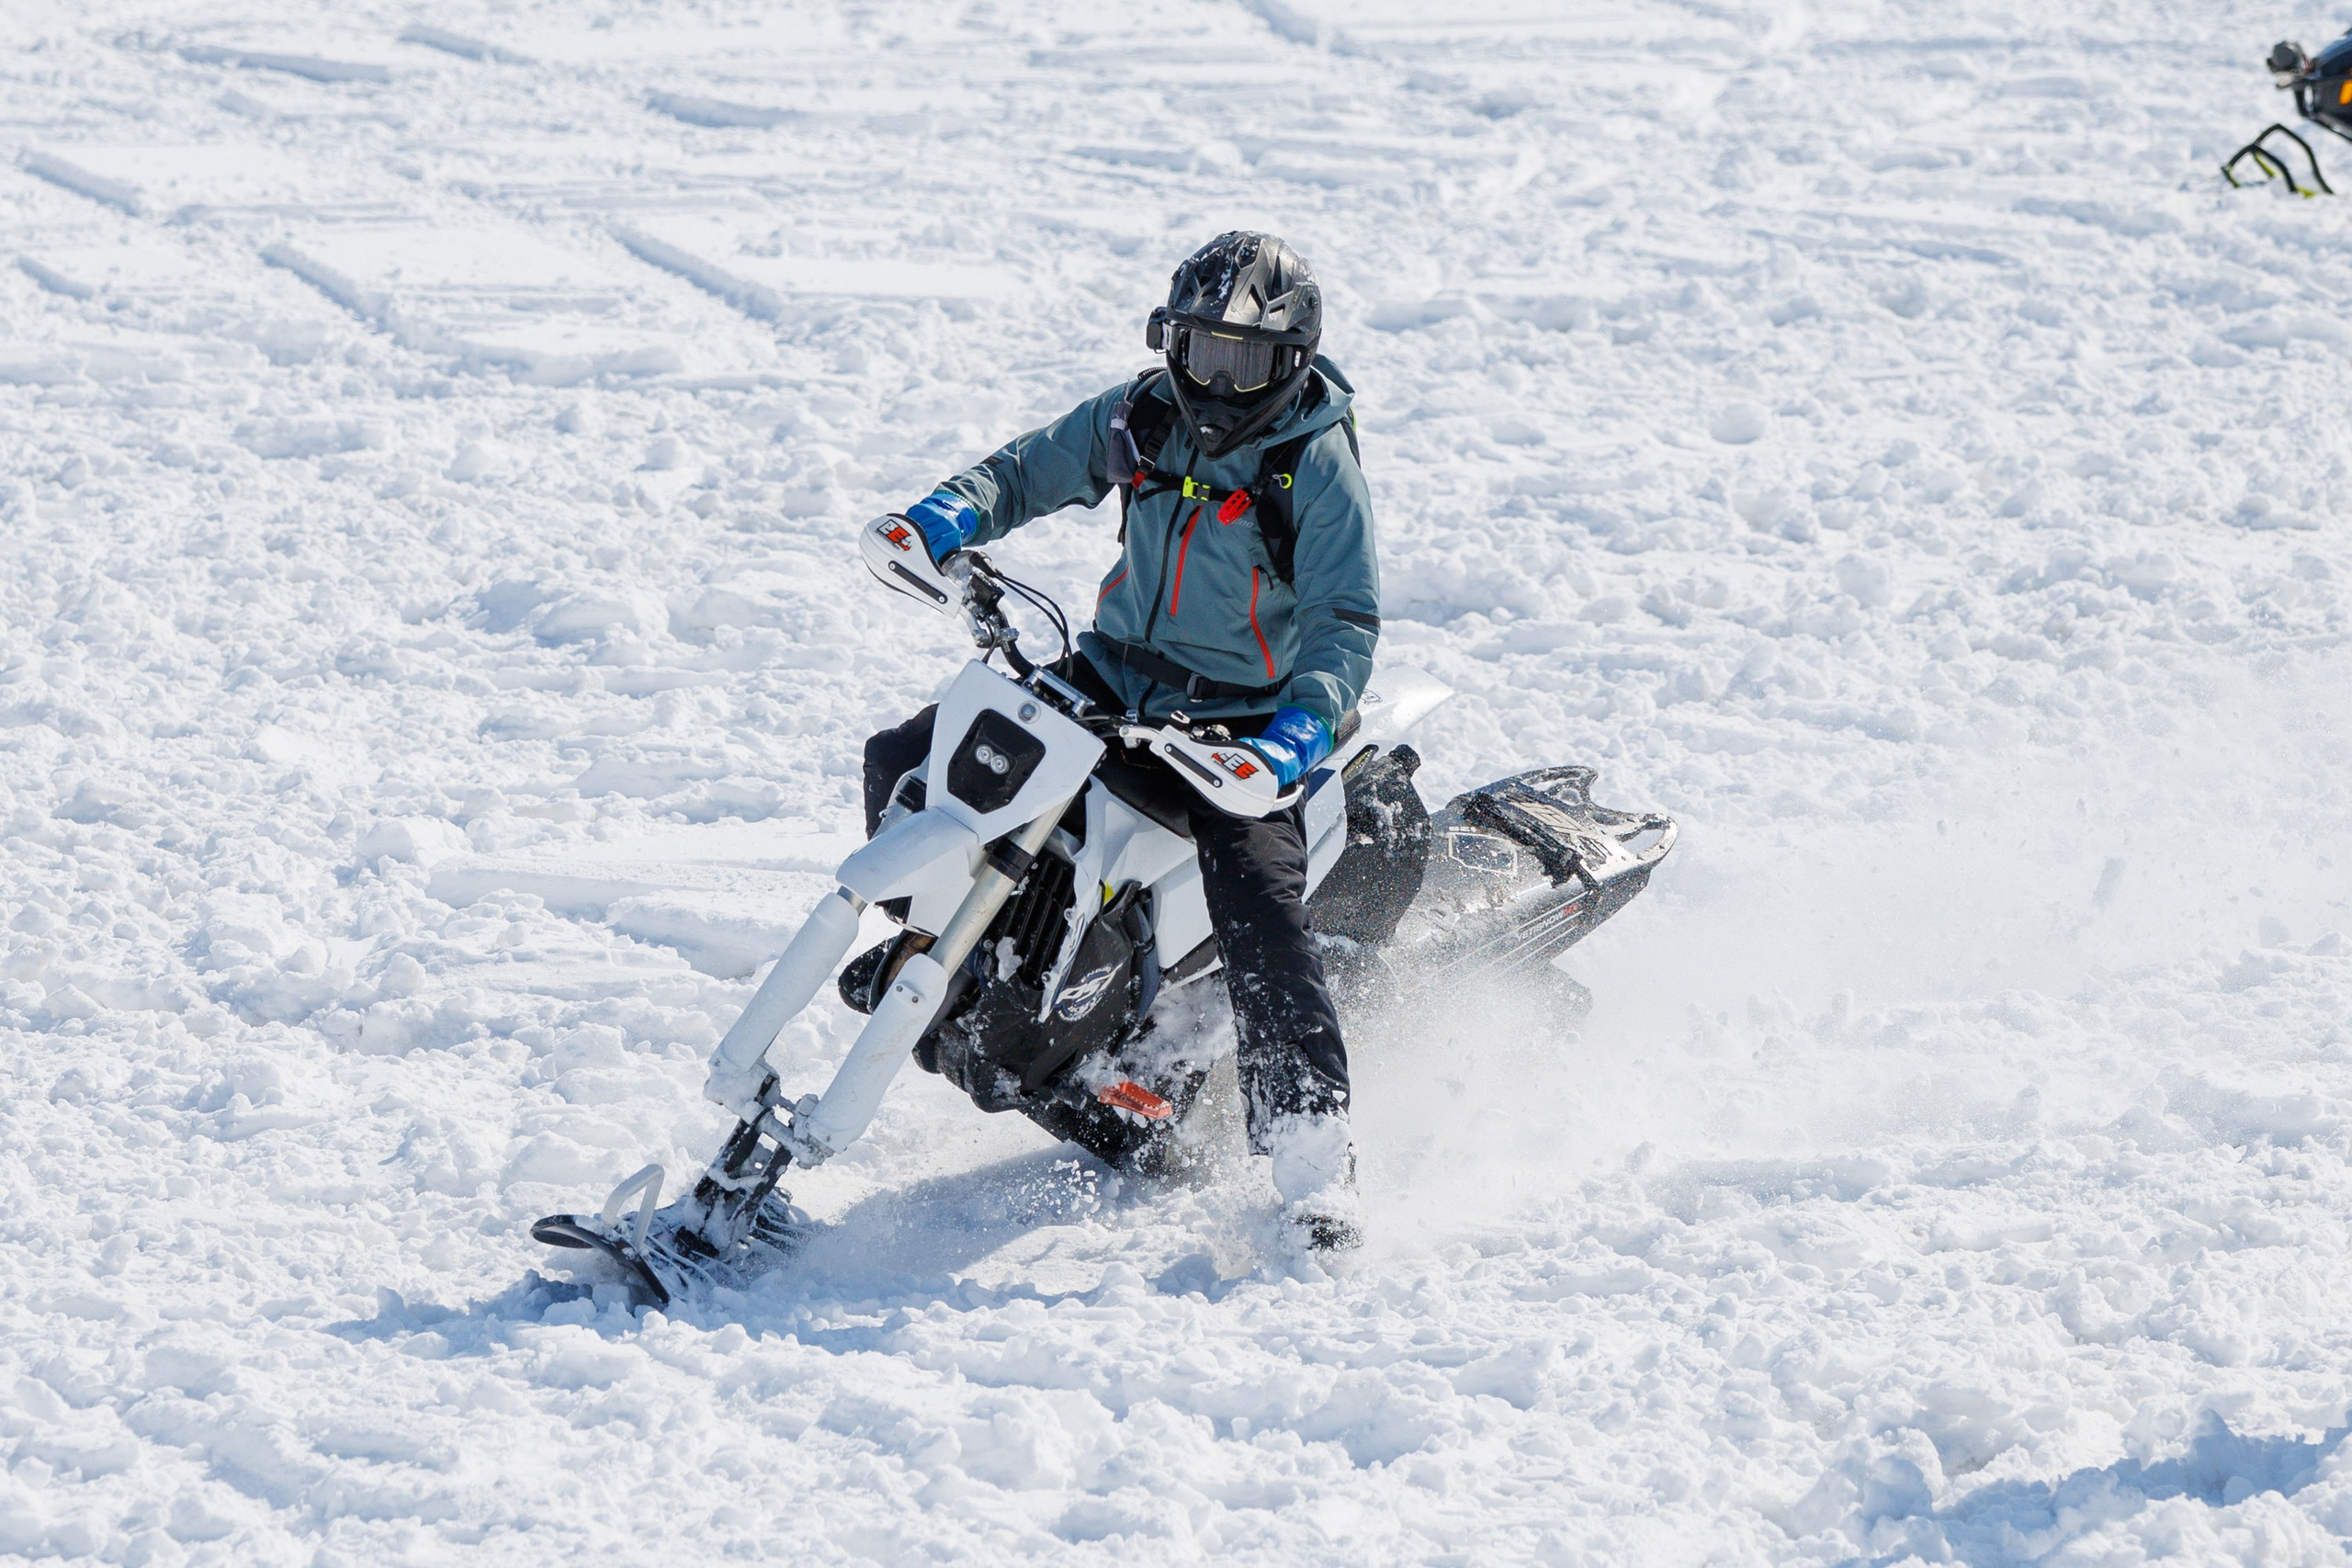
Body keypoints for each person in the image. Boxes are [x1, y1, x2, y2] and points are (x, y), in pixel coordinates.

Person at [860, 231, 1380, 1249]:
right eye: (1199, 351)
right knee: (909, 764)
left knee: (1260, 910)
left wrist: (1293, 737)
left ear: (1290, 363)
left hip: (1239, 724)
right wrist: (947, 514)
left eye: (1243, 361)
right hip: (1110, 678)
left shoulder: (1312, 462)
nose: (1215, 383)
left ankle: (1315, 1164)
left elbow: (1344, 621)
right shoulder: (1140, 414)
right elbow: (1026, 472)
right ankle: (958, 962)